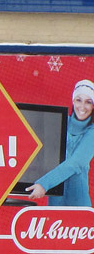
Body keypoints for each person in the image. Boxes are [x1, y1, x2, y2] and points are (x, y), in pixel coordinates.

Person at [26, 79, 94, 207]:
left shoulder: (92, 132)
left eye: (88, 102)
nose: (82, 107)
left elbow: (76, 163)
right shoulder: (60, 122)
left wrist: (44, 183)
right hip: (55, 199)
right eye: (79, 100)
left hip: (78, 202)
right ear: (73, 101)